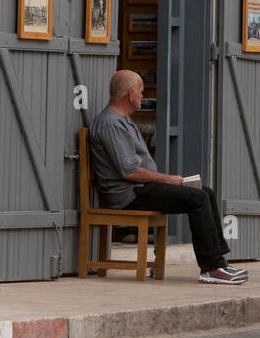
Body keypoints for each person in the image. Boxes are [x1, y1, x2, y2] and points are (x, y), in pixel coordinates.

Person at [89, 70, 247, 284]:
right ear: (130, 94)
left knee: (204, 192)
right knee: (197, 198)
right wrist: (168, 179)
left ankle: (219, 264)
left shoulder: (122, 120)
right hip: (129, 195)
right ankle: (211, 269)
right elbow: (130, 172)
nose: (142, 97)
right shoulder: (111, 123)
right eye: (141, 92)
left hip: (140, 189)